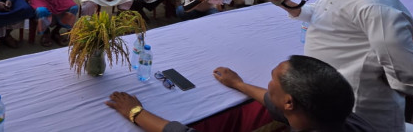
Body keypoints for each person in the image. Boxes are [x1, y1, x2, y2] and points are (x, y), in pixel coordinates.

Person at [269, 0, 413, 131]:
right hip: (333, 94)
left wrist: (399, 85)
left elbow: (409, 69)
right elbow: (316, 13)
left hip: (362, 103)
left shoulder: (375, 7)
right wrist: (286, 3)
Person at [106, 55, 372, 132]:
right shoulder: (335, 114)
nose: (268, 84)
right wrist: (239, 85)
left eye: (273, 80)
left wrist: (135, 112)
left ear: (289, 102)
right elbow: (273, 102)